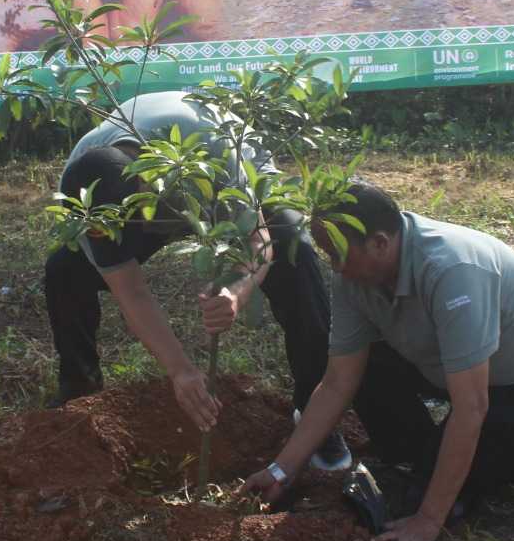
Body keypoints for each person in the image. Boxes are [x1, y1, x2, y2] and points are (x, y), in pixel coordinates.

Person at [243, 182, 514, 541]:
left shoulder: (452, 270)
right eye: (328, 253)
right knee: (377, 387)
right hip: (449, 365)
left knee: (459, 464)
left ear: (379, 243)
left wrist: (428, 520)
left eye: (339, 254)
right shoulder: (352, 280)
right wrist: (282, 469)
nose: (334, 266)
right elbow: (339, 380)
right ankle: (424, 457)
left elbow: (471, 407)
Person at [44, 90, 352, 471]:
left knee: (295, 250)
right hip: (146, 199)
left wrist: (238, 290)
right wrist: (181, 370)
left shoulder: (216, 148)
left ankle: (313, 410)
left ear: (141, 190)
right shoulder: (83, 193)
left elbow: (259, 240)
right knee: (65, 269)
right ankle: (81, 389)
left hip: (220, 181)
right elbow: (132, 292)